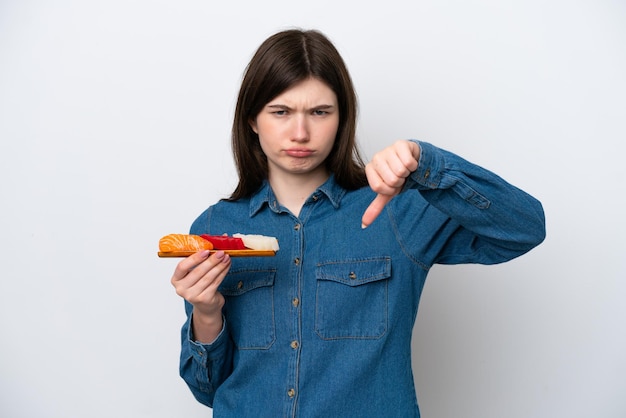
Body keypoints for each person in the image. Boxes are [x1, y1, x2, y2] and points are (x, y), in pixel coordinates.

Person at [169, 28, 545, 418]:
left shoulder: (399, 210)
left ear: (342, 117)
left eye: (319, 112)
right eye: (280, 112)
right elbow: (208, 390)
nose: (300, 132)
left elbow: (525, 228)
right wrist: (206, 313)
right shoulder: (214, 228)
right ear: (252, 120)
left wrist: (426, 162)